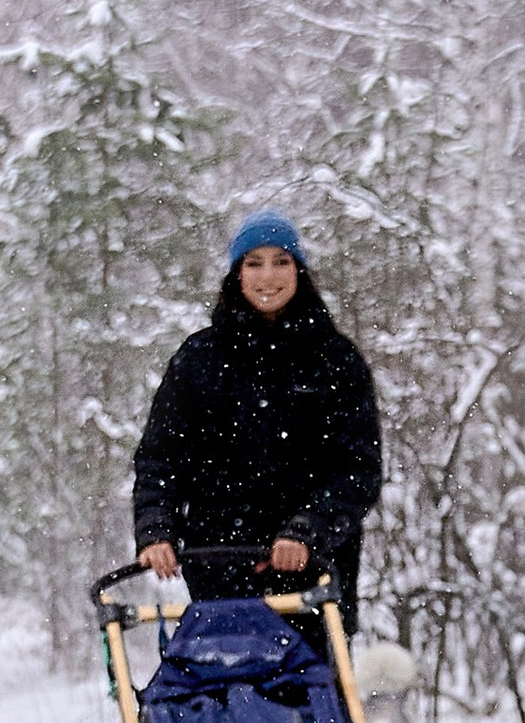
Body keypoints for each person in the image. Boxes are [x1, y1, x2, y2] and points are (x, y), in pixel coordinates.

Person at [132, 213, 384, 625]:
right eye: (254, 263)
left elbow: (358, 470)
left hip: (313, 577)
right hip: (217, 567)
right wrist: (155, 528)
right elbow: (161, 457)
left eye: (281, 261)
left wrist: (308, 528)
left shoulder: (335, 361)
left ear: (299, 270)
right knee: (221, 685)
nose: (269, 276)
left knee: (314, 686)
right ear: (236, 274)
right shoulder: (199, 359)